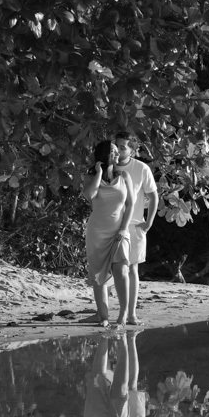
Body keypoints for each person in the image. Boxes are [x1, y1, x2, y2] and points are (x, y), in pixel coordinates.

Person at [83, 140, 135, 328]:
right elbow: (90, 195)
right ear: (104, 154)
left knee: (121, 270)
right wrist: (98, 173)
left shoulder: (124, 176)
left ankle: (122, 315)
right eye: (112, 151)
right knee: (99, 275)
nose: (117, 153)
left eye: (118, 150)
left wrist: (123, 228)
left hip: (119, 230)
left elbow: (130, 204)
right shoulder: (90, 177)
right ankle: (102, 315)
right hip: (97, 231)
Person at [114, 131, 159, 325]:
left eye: (123, 147)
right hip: (110, 225)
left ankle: (131, 314)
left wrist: (148, 222)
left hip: (134, 226)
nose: (118, 150)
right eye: (117, 146)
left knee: (132, 268)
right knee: (109, 270)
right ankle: (104, 312)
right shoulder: (107, 166)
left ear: (132, 151)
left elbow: (154, 195)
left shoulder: (141, 168)